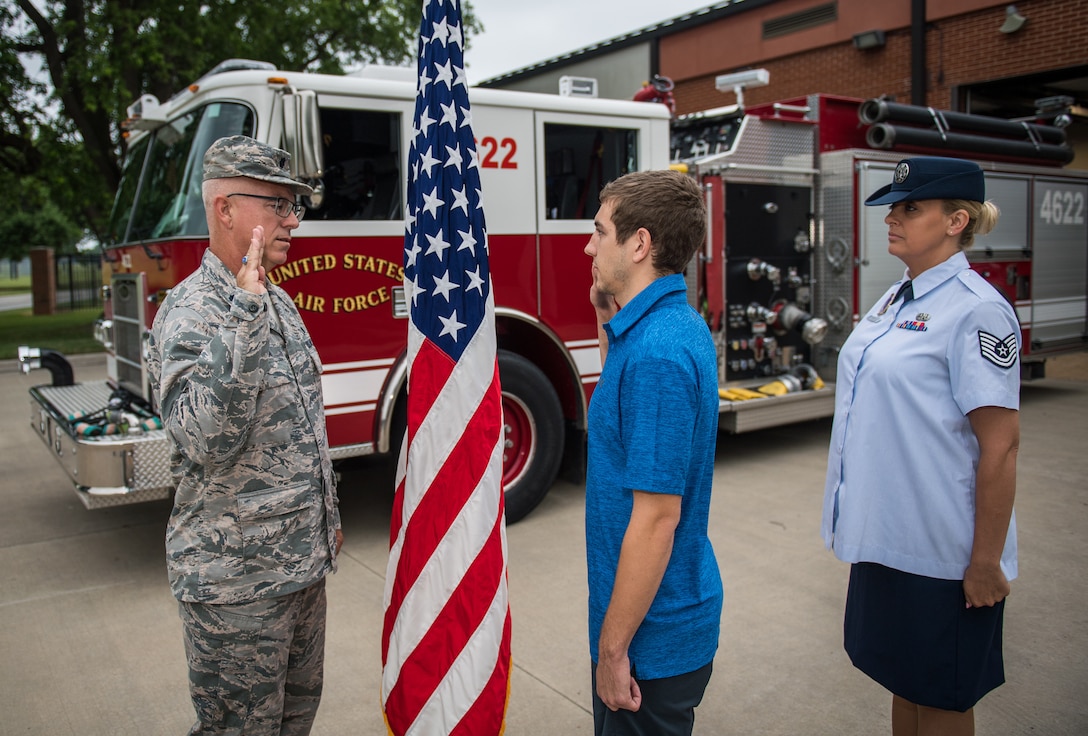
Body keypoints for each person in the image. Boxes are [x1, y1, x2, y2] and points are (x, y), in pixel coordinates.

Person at [147, 135, 343, 735]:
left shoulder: (277, 303)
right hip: (237, 591)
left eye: (294, 206)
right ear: (225, 209)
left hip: (299, 572)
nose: (292, 222)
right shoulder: (193, 311)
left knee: (292, 723)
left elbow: (302, 433)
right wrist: (247, 311)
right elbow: (206, 436)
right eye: (276, 204)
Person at [822, 157, 1020, 736]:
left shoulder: (977, 310)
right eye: (894, 205)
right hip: (890, 540)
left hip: (944, 552)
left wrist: (984, 561)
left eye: (911, 207)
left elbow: (1001, 447)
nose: (892, 217)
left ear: (958, 219)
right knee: (904, 682)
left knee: (941, 697)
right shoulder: (897, 299)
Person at [583, 169, 723, 736]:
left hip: (651, 639)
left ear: (639, 244)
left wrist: (613, 652)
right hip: (648, 622)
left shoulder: (658, 356)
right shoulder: (657, 326)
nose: (589, 245)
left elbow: (658, 517)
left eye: (600, 231)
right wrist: (604, 313)